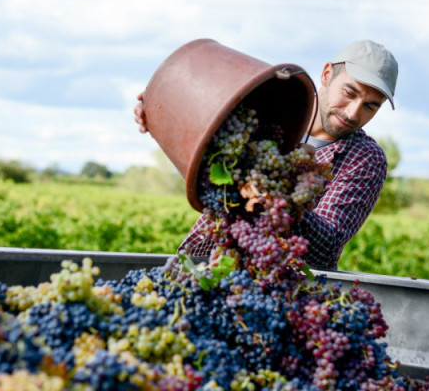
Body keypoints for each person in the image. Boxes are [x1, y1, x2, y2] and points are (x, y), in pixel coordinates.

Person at [134, 39, 398, 270]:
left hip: (281, 291)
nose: (353, 113)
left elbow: (326, 247)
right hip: (205, 259)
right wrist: (159, 112)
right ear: (327, 74)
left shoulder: (364, 158)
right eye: (349, 93)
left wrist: (278, 197)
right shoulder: (269, 110)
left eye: (370, 106)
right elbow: (204, 146)